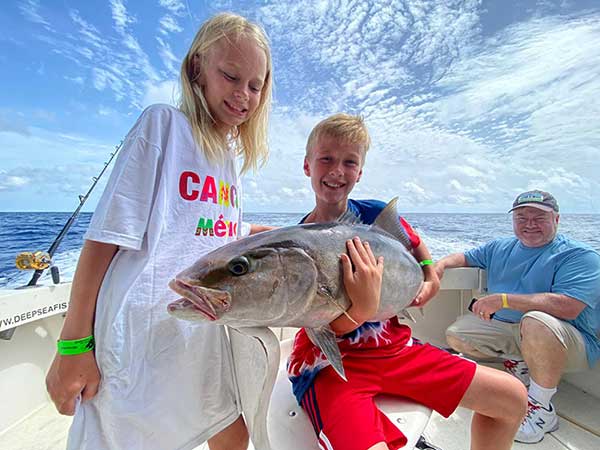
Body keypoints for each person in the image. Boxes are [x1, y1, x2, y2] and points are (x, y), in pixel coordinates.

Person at [45, 13, 273, 450]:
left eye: (255, 85)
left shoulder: (227, 159)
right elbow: (103, 240)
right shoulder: (162, 126)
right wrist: (74, 347)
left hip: (197, 340)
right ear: (197, 69)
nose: (243, 94)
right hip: (136, 348)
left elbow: (203, 227)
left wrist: (271, 231)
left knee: (233, 435)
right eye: (230, 76)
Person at [286, 113, 528, 450]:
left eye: (349, 162)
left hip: (395, 348)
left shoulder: (374, 214)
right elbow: (324, 324)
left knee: (513, 398)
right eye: (326, 158)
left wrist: (430, 276)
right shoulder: (301, 245)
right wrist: (364, 306)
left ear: (360, 171)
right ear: (307, 165)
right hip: (329, 365)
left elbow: (415, 246)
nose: (337, 170)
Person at [435, 190, 600, 444]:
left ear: (556, 219)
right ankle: (521, 368)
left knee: (536, 320)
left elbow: (568, 307)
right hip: (520, 332)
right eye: (522, 217)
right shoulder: (500, 247)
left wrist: (503, 300)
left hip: (571, 344)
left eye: (539, 217)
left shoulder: (580, 256)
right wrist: (439, 265)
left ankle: (542, 409)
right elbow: (466, 257)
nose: (530, 224)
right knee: (459, 334)